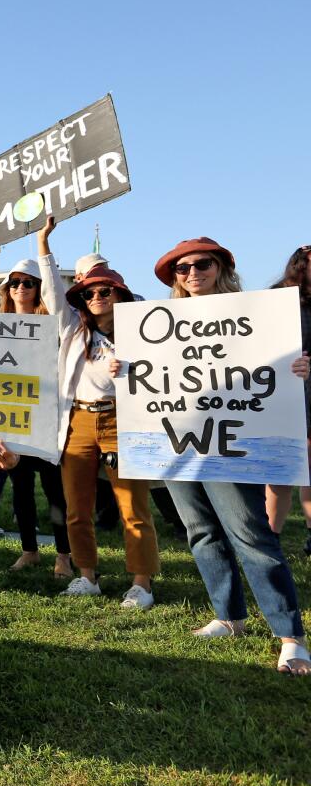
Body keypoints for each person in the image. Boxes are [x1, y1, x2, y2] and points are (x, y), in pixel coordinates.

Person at [150, 237, 309, 674]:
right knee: (200, 530)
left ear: (220, 267)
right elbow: (150, 374)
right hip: (174, 441)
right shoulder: (159, 323)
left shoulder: (254, 314)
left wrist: (297, 368)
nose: (192, 273)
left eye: (201, 264)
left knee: (251, 534)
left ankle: (290, 635)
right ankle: (229, 616)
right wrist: (120, 369)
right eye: (181, 269)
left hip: (233, 442)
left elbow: (274, 365)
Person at [34, 218, 160, 606]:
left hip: (122, 419)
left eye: (105, 291)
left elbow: (163, 375)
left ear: (120, 295)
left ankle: (142, 583)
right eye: (89, 292)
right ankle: (87, 574)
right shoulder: (74, 328)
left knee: (132, 505)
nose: (97, 297)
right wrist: (43, 244)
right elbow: (54, 294)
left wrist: (132, 369)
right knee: (77, 506)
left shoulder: (144, 333)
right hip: (79, 420)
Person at [0, 256, 71, 575]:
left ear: (39, 289)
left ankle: (63, 555)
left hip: (47, 420)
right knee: (20, 489)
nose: (21, 288)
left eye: (29, 283)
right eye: (15, 283)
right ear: (7, 289)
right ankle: (29, 551)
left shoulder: (55, 325)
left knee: (54, 492)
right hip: (13, 421)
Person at [267, 243, 311, 555]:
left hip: (309, 389)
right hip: (278, 394)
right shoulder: (275, 298)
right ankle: (271, 535)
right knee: (279, 470)